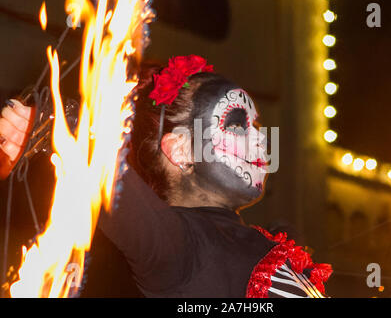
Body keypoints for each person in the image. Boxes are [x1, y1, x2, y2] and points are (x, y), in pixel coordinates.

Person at [0, 55, 332, 298]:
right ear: (181, 150)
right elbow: (114, 186)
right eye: (237, 124)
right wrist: (58, 126)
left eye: (256, 126)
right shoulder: (178, 249)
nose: (261, 139)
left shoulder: (259, 240)